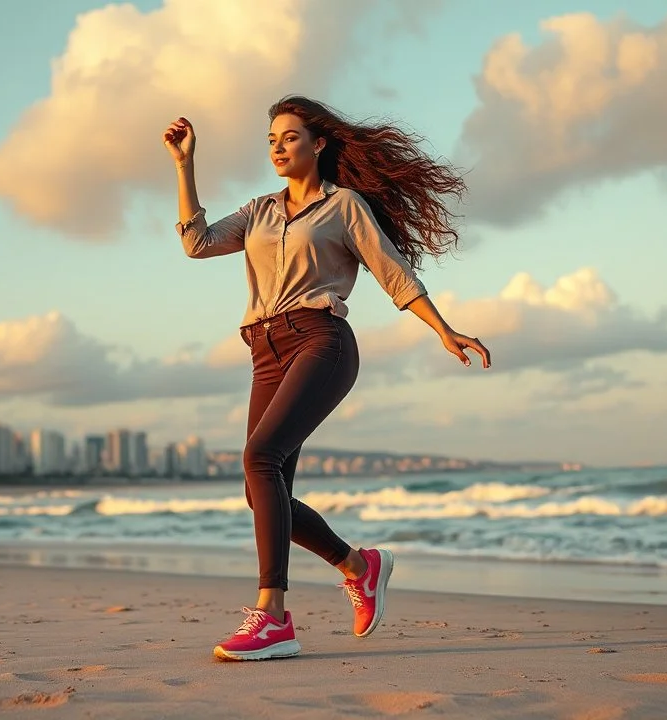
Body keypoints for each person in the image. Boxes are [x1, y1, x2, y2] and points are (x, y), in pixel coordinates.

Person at [163, 96, 491, 662]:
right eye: (271, 140)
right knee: (262, 488)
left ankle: (272, 618)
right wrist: (183, 165)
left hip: (322, 341)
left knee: (258, 458)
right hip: (264, 350)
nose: (277, 147)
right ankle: (360, 567)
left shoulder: (344, 207)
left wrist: (443, 328)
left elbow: (393, 270)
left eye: (289, 137)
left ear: (318, 145)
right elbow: (196, 243)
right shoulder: (260, 211)